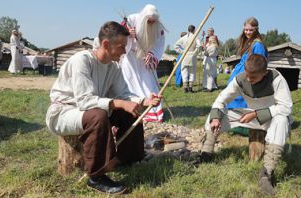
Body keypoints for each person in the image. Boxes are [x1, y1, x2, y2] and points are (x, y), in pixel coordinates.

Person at [45, 21, 162, 194]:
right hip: (64, 112)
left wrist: (144, 100)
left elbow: (123, 95)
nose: (124, 51)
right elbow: (85, 101)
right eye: (121, 46)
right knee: (98, 116)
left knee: (128, 112)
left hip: (89, 110)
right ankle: (96, 177)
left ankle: (127, 157)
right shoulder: (82, 61)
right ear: (106, 44)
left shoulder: (114, 67)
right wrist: (121, 103)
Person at [200, 54, 293, 195]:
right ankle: (206, 154)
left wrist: (255, 114)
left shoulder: (276, 78)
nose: (248, 79)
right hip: (250, 116)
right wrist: (216, 118)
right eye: (247, 75)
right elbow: (221, 100)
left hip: (271, 119)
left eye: (253, 77)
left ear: (264, 73)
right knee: (214, 115)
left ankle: (267, 174)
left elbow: (286, 107)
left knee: (282, 120)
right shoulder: (241, 79)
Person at [120, 4, 166, 122]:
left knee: (149, 83)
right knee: (130, 81)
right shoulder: (131, 19)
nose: (151, 24)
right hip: (131, 57)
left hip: (146, 59)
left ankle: (150, 108)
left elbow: (159, 44)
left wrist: (152, 54)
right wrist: (128, 34)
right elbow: (118, 33)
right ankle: (133, 108)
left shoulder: (158, 27)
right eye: (149, 21)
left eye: (153, 22)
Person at [227, 17, 268, 109]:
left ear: (256, 30)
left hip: (247, 77)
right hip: (239, 74)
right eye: (246, 30)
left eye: (251, 30)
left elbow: (259, 65)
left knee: (241, 100)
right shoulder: (249, 42)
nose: (248, 32)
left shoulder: (257, 45)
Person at [174, 25, 201, 93]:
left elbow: (175, 46)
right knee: (192, 72)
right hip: (192, 56)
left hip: (185, 56)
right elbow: (199, 46)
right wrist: (195, 53)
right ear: (194, 30)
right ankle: (190, 88)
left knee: (184, 71)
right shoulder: (195, 37)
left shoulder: (184, 38)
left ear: (188, 30)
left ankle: (185, 87)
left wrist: (182, 52)